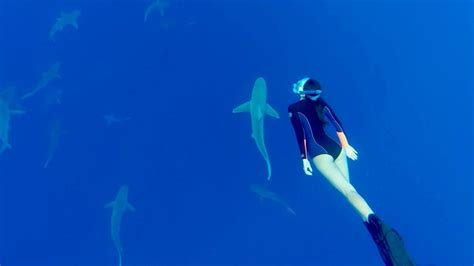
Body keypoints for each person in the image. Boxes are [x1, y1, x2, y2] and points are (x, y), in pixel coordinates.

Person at [288, 77, 414, 266]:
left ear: (301, 91)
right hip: (336, 148)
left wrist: (304, 159)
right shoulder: (321, 102)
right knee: (351, 190)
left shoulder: (294, 108)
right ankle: (369, 220)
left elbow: (301, 135)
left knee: (347, 192)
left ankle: (375, 222)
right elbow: (337, 123)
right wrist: (346, 146)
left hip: (319, 153)